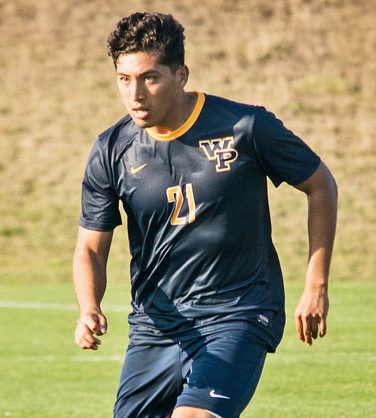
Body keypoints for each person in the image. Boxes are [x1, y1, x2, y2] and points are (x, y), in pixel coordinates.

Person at [73, 11, 337, 418]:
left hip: (238, 312)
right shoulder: (111, 150)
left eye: (149, 77)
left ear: (181, 75)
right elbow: (91, 248)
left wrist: (315, 284)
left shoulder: (245, 127)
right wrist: (89, 305)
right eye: (124, 79)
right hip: (156, 326)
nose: (135, 94)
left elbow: (320, 185)